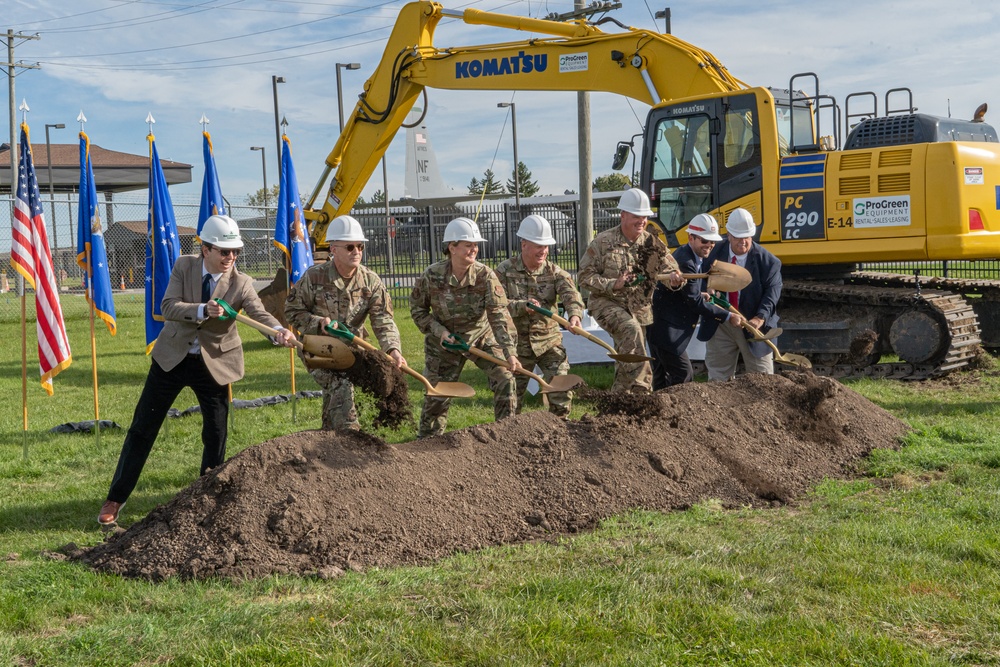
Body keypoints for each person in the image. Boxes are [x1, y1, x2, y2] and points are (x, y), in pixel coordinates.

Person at [98, 215, 297, 526]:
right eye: (224, 251)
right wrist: (203, 310)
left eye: (236, 252)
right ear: (205, 249)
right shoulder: (184, 266)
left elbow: (259, 313)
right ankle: (116, 497)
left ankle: (207, 497)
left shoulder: (241, 283)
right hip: (172, 359)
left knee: (215, 432)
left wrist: (277, 331)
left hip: (214, 364)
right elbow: (168, 306)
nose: (231, 257)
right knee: (142, 428)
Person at [284, 215, 405, 430]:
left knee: (338, 395)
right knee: (341, 385)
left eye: (360, 246)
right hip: (316, 347)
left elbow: (383, 319)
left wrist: (393, 349)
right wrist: (317, 322)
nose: (356, 251)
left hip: (352, 348)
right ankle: (350, 440)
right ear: (333, 249)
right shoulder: (314, 277)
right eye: (350, 247)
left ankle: (328, 440)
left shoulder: (371, 281)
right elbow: (292, 311)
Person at [410, 217, 522, 437]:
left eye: (476, 245)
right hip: (443, 342)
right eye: (468, 245)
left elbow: (499, 315)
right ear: (452, 247)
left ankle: (506, 437)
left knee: (505, 379)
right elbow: (418, 311)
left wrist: (510, 353)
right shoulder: (431, 276)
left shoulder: (485, 275)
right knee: (437, 396)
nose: (474, 249)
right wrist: (439, 331)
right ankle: (427, 442)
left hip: (480, 336)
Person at [577, 188, 680, 393]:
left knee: (628, 356)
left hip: (638, 309)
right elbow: (583, 277)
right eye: (636, 216)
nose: (641, 221)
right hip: (606, 304)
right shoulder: (603, 242)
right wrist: (612, 284)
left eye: (644, 217)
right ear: (623, 215)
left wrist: (675, 281)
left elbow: (671, 271)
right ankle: (643, 389)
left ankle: (619, 401)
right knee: (631, 331)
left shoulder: (653, 244)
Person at [495, 214, 585, 418]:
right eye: (538, 245)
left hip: (548, 343)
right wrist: (521, 306)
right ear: (524, 244)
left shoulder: (555, 272)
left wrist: (574, 315)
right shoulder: (504, 271)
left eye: (546, 246)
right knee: (509, 401)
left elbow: (572, 295)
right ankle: (504, 442)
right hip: (515, 347)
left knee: (561, 388)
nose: (543, 251)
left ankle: (561, 431)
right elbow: (495, 306)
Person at [646, 213, 743, 389]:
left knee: (661, 377)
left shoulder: (693, 257)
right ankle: (676, 411)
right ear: (691, 238)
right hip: (665, 329)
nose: (710, 245)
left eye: (712, 242)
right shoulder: (686, 261)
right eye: (705, 241)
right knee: (683, 374)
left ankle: (660, 411)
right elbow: (694, 302)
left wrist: (700, 293)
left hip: (661, 325)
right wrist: (728, 316)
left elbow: (688, 294)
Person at [697, 207, 782, 381]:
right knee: (718, 379)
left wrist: (760, 318)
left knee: (762, 379)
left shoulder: (768, 262)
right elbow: (699, 277)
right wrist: (708, 287)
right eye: (737, 237)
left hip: (753, 324)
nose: (742, 242)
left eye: (747, 237)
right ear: (728, 234)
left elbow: (772, 292)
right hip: (721, 321)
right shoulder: (712, 252)